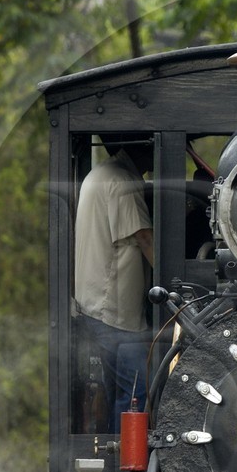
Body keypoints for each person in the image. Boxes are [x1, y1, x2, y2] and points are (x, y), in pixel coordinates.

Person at [74, 136, 155, 429]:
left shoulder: (101, 174)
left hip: (95, 306)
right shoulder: (122, 182)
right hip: (116, 313)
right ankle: (129, 465)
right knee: (135, 394)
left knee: (119, 394)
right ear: (144, 148)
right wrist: (177, 282)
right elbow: (145, 238)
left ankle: (116, 458)